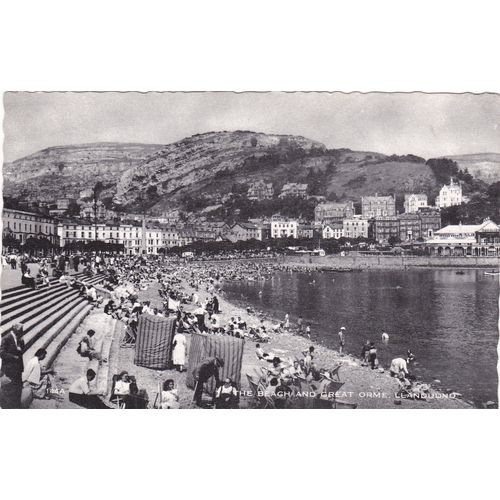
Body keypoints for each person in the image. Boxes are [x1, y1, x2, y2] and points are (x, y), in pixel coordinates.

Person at [0, 323, 25, 408]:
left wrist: (21, 341)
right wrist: (13, 357)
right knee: (10, 389)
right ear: (15, 329)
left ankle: (17, 405)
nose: (22, 332)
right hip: (9, 369)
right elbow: (2, 353)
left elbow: (22, 350)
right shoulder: (6, 338)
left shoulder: (19, 338)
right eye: (20, 330)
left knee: (18, 388)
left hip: (18, 368)